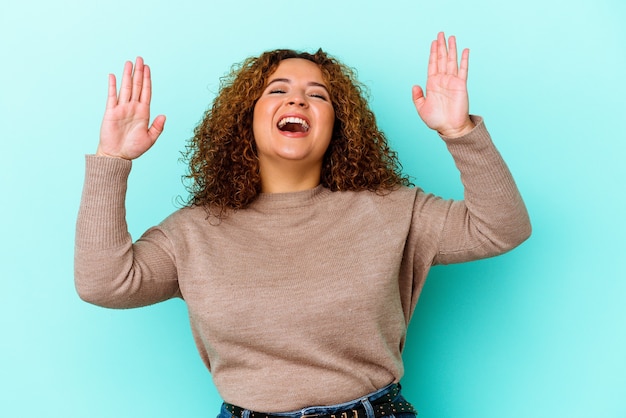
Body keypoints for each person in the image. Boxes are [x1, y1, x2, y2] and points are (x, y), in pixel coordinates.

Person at [75, 32, 531, 417]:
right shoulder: (192, 232)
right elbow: (104, 283)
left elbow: (500, 227)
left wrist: (459, 132)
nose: (297, 98)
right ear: (245, 120)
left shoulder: (393, 210)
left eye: (318, 95)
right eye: (277, 90)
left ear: (338, 125)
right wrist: (112, 160)